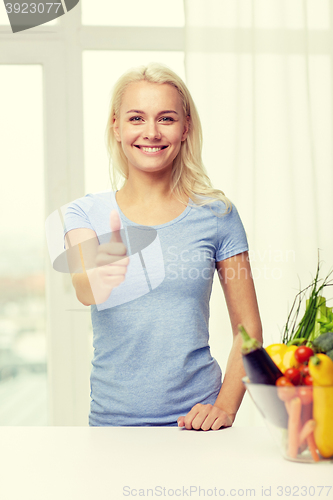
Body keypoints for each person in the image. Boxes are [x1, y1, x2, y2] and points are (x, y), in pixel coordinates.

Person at [63, 62, 262, 430]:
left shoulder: (218, 215)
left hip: (197, 427)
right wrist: (101, 271)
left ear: (186, 128)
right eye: (136, 118)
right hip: (112, 428)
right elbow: (84, 289)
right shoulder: (86, 213)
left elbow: (247, 329)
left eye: (166, 119)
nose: (151, 132)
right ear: (116, 126)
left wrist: (225, 408)